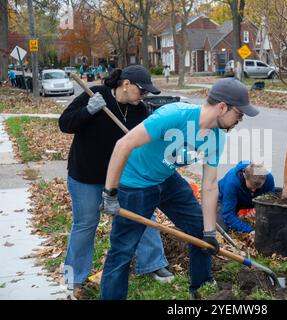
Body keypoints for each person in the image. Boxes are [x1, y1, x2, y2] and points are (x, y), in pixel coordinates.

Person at [98, 77, 259, 300]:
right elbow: (122, 145)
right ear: (222, 107)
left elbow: (211, 185)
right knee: (123, 249)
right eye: (239, 114)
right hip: (135, 183)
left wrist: (210, 232)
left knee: (200, 235)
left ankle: (201, 292)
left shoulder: (216, 137)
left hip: (166, 179)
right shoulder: (174, 115)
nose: (239, 120)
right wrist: (110, 194)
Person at [58, 65, 174, 296]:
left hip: (124, 177)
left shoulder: (140, 110)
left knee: (143, 216)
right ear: (126, 84)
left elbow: (146, 144)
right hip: (86, 176)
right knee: (85, 225)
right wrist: (88, 111)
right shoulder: (95, 94)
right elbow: (65, 124)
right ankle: (75, 278)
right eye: (142, 91)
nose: (145, 96)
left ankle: (153, 264)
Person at [216, 161, 275, 235]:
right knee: (223, 227)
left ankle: (242, 214)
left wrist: (259, 208)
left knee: (280, 194)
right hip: (228, 199)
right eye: (251, 187)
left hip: (251, 200)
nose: (254, 190)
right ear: (244, 176)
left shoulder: (268, 178)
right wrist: (250, 230)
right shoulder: (232, 182)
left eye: (258, 188)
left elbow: (270, 199)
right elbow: (228, 215)